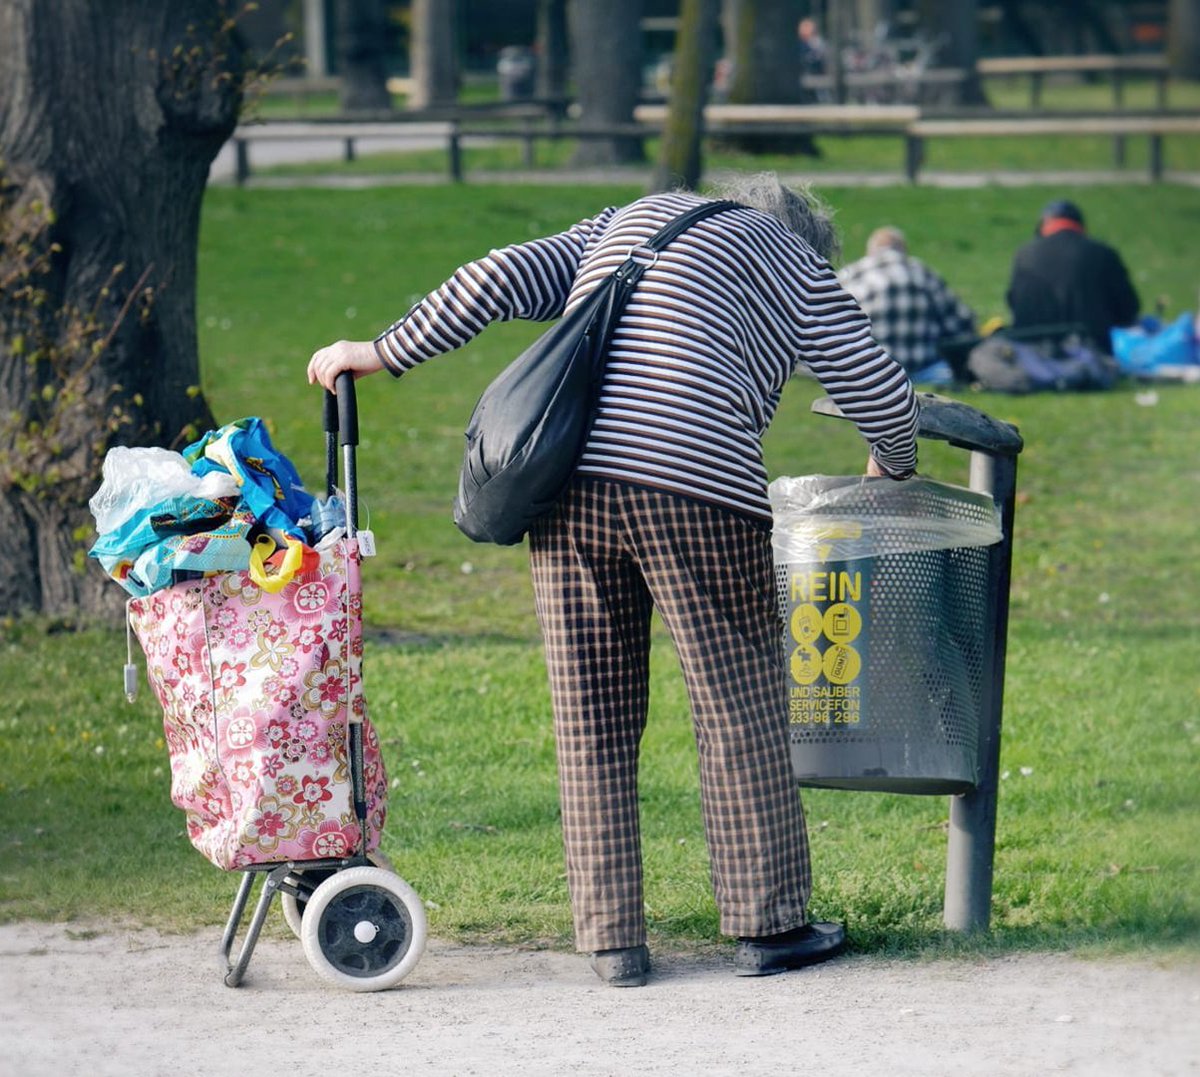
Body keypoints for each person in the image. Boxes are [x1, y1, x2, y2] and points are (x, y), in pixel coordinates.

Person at [307, 173, 919, 988]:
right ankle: (770, 926)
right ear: (808, 235)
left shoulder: (626, 220)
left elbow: (496, 274)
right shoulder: (793, 259)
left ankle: (613, 943)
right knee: (738, 706)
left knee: (590, 714)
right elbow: (878, 385)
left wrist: (379, 352)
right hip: (698, 490)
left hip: (568, 491)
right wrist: (890, 464)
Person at [838, 225, 976, 383]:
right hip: (923, 370)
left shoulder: (852, 273)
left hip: (868, 371)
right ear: (903, 249)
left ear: (870, 251)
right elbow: (959, 324)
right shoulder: (922, 271)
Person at [1006, 199, 1139, 350]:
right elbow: (1128, 308)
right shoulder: (1103, 253)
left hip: (1032, 350)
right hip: (1093, 347)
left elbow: (1013, 303)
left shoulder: (1024, 255)